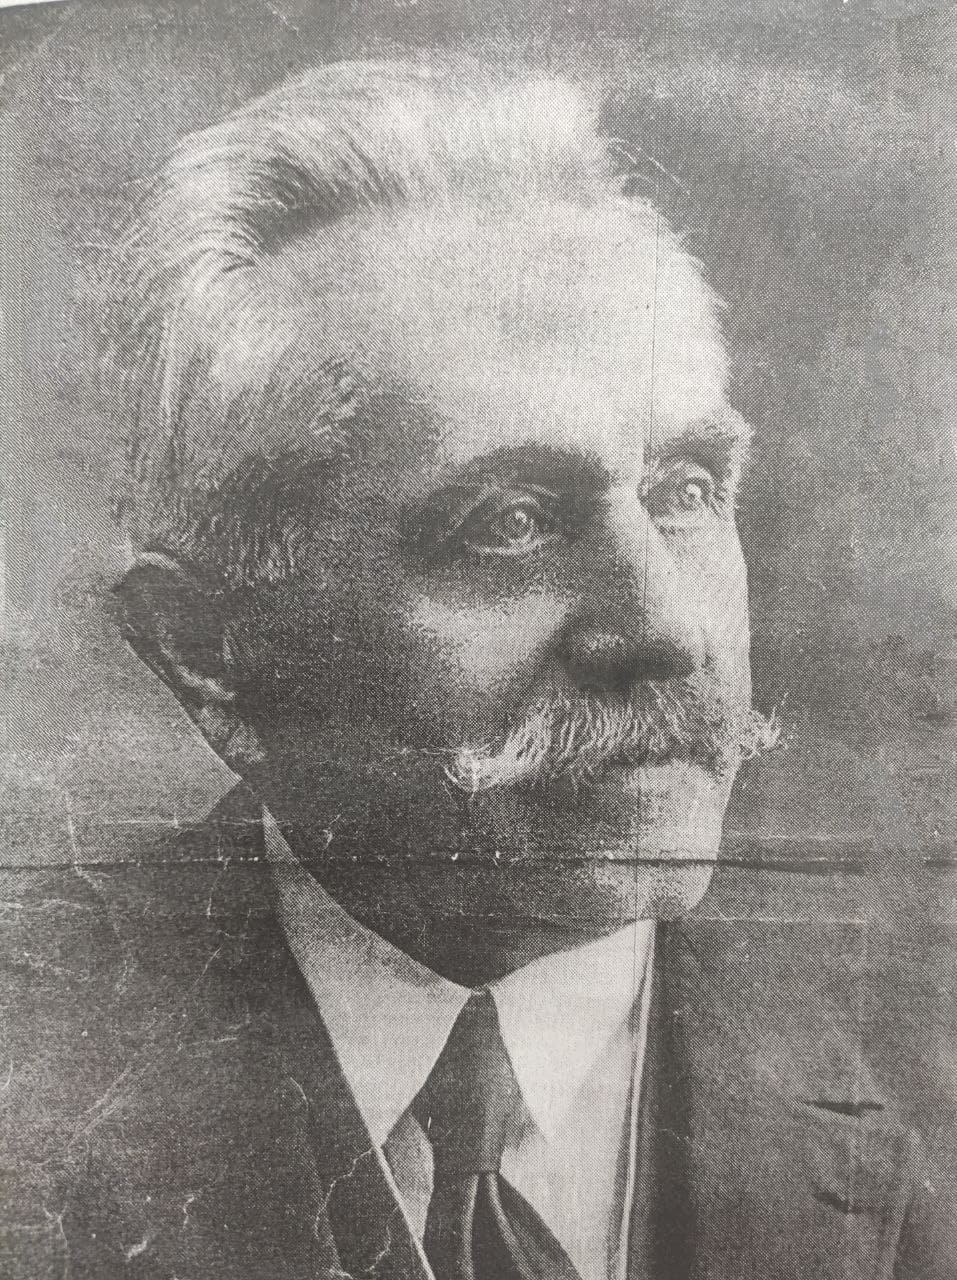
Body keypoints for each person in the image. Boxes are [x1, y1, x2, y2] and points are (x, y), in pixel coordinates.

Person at [3, 60, 953, 1280]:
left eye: (683, 491)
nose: (667, 629)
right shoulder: (35, 1069)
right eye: (511, 521)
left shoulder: (919, 1069)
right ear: (209, 651)